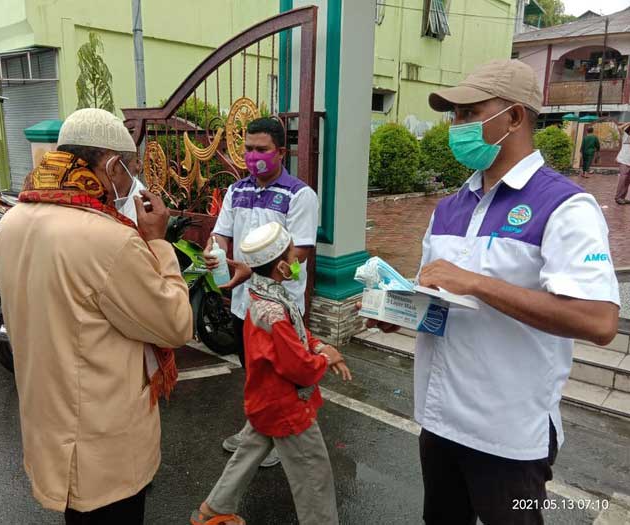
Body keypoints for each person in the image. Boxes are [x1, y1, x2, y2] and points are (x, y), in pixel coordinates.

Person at [372, 60, 619, 524]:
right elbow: (445, 304)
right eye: (454, 115)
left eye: (469, 113)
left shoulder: (566, 206)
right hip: (440, 419)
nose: (456, 126)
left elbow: (599, 321)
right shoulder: (449, 207)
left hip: (509, 437)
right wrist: (401, 310)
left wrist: (480, 284)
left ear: (515, 118)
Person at [0, 109, 193, 524]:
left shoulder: (10, 223)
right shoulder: (109, 239)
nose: (131, 182)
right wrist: (158, 243)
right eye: (130, 169)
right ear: (113, 164)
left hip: (49, 426)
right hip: (104, 443)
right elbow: (175, 324)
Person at [191, 222, 350, 525]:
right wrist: (324, 359)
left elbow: (297, 336)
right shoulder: (275, 310)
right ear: (280, 266)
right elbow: (299, 368)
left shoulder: (263, 296)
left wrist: (321, 347)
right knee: (313, 473)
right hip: (286, 406)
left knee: (250, 450)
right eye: (293, 255)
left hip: (265, 399)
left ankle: (215, 508)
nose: (296, 260)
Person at [204, 117, 319, 468]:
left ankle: (278, 437)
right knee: (253, 371)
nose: (253, 156)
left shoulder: (299, 195)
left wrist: (251, 269)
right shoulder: (237, 190)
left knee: (280, 376)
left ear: (281, 152)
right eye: (248, 149)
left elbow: (299, 253)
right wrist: (215, 249)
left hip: (280, 307)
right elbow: (223, 232)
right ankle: (258, 427)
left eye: (262, 150)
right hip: (243, 304)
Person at [615, 123, 630, 205]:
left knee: (627, 181)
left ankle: (622, 197)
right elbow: (619, 127)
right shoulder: (625, 136)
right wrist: (628, 123)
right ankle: (618, 197)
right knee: (623, 179)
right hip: (624, 161)